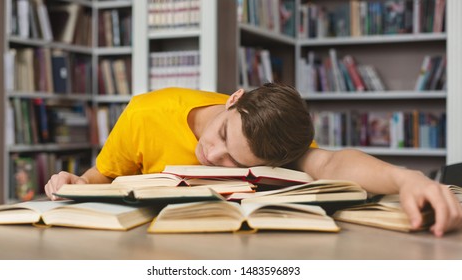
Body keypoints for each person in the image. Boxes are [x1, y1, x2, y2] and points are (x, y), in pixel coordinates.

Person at [45, 83, 462, 237]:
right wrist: (76, 183)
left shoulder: (275, 140)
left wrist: (409, 179)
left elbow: (333, 165)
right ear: (235, 99)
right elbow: (101, 176)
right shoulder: (145, 113)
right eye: (223, 134)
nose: (213, 154)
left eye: (232, 162)